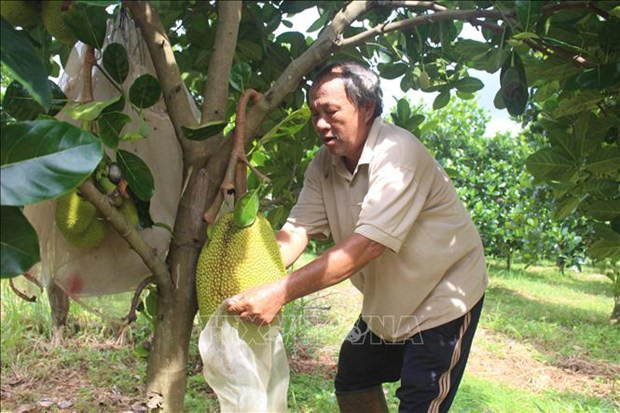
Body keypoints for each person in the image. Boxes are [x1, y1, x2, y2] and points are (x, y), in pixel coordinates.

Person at [226, 61, 488, 413]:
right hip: (388, 306)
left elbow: (367, 246)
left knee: (420, 401)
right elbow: (297, 231)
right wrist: (247, 272)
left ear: (365, 108)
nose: (320, 124)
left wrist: (279, 293)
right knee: (354, 375)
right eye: (314, 113)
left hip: (442, 300)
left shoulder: (398, 155)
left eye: (331, 111)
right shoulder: (323, 164)